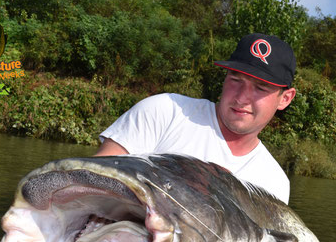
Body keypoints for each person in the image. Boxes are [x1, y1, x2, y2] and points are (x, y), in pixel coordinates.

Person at [94, 33, 296, 204]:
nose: (242, 97)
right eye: (236, 80)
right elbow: (89, 179)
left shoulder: (273, 183)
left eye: (261, 88)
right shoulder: (166, 111)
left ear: (285, 98)